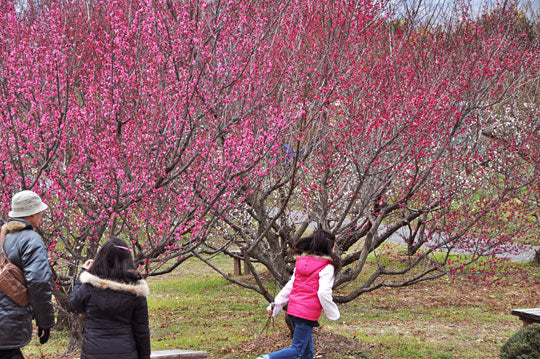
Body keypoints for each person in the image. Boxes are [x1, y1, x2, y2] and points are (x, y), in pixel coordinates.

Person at [257, 229, 342, 359]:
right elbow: (323, 292)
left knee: (307, 352)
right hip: (306, 314)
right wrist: (332, 312)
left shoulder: (302, 263)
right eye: (334, 247)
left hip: (293, 312)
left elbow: (290, 286)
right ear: (329, 247)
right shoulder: (327, 267)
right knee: (297, 350)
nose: (335, 250)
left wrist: (275, 305)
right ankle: (266, 358)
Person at [68, 237, 151, 359]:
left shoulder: (90, 286)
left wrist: (83, 274)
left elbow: (74, 306)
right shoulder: (136, 291)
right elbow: (142, 331)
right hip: (125, 352)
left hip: (93, 352)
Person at [0, 190, 55, 359]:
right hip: (8, 323)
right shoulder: (31, 239)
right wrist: (45, 321)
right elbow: (38, 283)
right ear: (33, 213)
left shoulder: (3, 236)